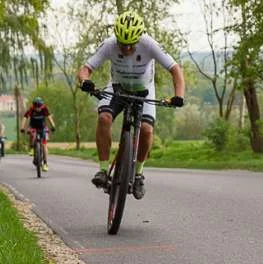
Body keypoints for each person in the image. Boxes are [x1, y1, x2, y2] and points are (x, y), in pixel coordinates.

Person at [77, 11, 185, 199]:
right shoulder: (109, 44)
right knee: (103, 118)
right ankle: (103, 170)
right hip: (117, 87)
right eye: (122, 44)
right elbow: (86, 69)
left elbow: (175, 70)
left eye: (131, 45)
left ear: (139, 38)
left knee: (146, 130)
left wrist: (179, 96)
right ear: (116, 38)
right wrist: (85, 81)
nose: (126, 49)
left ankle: (138, 174)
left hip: (144, 90)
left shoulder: (149, 44)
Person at [22, 96, 56, 171]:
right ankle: (31, 148)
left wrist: (53, 126)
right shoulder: (31, 109)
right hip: (33, 126)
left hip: (42, 127)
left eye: (39, 106)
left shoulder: (44, 108)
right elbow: (25, 117)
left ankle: (45, 163)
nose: (38, 108)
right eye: (36, 107)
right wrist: (22, 127)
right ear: (34, 106)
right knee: (31, 134)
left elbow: (49, 117)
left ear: (41, 105)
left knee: (44, 145)